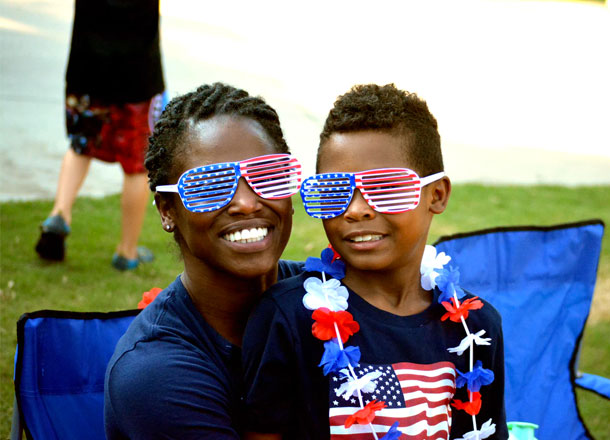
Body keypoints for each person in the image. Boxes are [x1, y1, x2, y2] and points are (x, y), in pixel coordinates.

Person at [242, 84, 507, 439]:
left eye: (384, 187)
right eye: (334, 191)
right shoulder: (288, 318)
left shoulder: (474, 328)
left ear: (437, 194)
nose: (356, 209)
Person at [104, 82, 304, 438]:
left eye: (267, 175)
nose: (246, 202)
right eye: (210, 185)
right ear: (168, 210)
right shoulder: (153, 375)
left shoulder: (327, 295)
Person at [35, 0, 166, 270]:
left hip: (87, 71)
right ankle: (127, 252)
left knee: (80, 146)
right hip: (137, 78)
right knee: (136, 166)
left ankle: (60, 213)